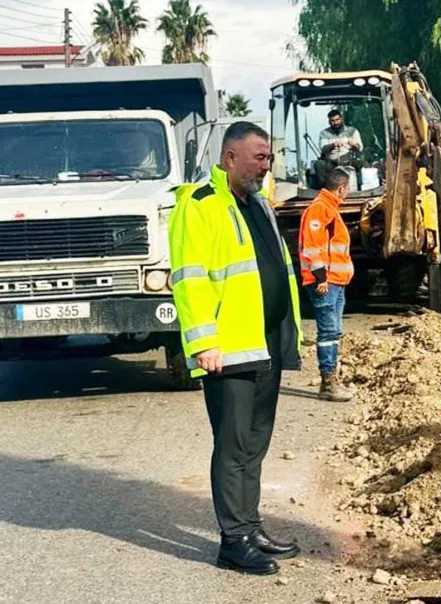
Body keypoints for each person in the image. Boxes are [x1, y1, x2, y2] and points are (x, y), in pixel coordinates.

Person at [168, 121, 304, 575]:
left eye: (268, 158)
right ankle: (232, 541)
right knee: (232, 444)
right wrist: (204, 342)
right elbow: (190, 278)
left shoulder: (260, 205)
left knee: (255, 445)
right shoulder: (201, 206)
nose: (265, 166)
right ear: (230, 158)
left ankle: (251, 526)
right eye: (257, 158)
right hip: (228, 349)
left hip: (265, 345)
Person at [299, 167, 356, 402]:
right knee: (328, 333)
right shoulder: (320, 210)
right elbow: (313, 247)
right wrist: (321, 278)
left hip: (335, 281)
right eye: (348, 188)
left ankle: (332, 380)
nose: (348, 192)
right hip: (326, 282)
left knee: (333, 332)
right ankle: (329, 383)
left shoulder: (329, 209)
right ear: (341, 188)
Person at [315, 110, 363, 187]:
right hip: (332, 162)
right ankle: (325, 189)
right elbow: (323, 149)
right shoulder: (324, 133)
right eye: (332, 121)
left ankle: (360, 187)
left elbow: (360, 148)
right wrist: (333, 145)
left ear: (341, 119)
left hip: (350, 160)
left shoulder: (352, 131)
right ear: (329, 122)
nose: (336, 123)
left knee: (361, 164)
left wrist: (353, 144)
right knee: (319, 164)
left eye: (337, 120)